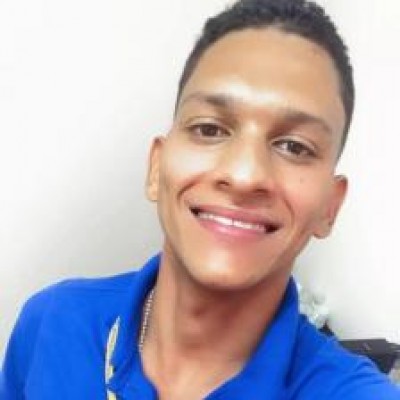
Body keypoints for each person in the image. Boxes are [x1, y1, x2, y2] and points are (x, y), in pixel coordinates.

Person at [1, 0, 399, 398]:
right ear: (156, 167)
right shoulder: (52, 323)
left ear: (330, 207)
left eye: (295, 147)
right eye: (210, 129)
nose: (244, 176)